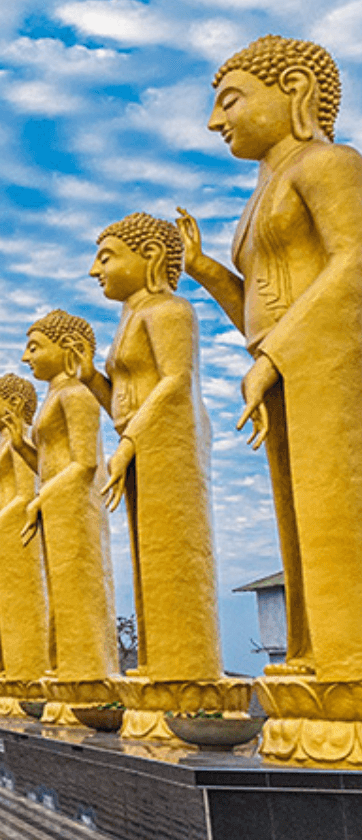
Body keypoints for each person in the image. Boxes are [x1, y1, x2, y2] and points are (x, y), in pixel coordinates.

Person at [177, 35, 362, 681]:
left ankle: (348, 661)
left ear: (294, 88)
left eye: (230, 101)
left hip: (330, 367)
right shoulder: (263, 196)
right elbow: (260, 307)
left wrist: (277, 354)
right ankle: (314, 652)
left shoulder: (329, 164)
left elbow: (353, 263)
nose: (214, 121)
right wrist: (203, 268)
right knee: (298, 519)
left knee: (332, 510)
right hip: (286, 369)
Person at [80, 213, 222, 685]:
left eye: (107, 256)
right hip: (138, 440)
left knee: (173, 556)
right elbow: (123, 399)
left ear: (151, 256)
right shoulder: (132, 317)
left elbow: (175, 382)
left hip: (169, 440)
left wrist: (129, 445)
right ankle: (159, 665)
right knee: (146, 559)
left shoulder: (169, 311)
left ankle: (188, 674)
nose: (95, 270)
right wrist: (91, 381)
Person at [17, 310, 119, 717]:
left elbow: (84, 463)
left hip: (74, 505)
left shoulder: (76, 394)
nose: (27, 358)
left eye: (35, 346)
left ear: (68, 349)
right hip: (54, 504)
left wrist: (42, 497)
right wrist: (16, 441)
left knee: (79, 587)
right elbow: (46, 461)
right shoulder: (53, 397)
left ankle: (87, 677)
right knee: (59, 593)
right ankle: (66, 674)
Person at [0, 374, 50, 715]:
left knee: (21, 606)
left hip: (15, 529)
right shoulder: (4, 444)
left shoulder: (19, 437)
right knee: (3, 610)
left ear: (14, 404)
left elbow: (23, 494)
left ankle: (26, 677)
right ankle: (13, 676)